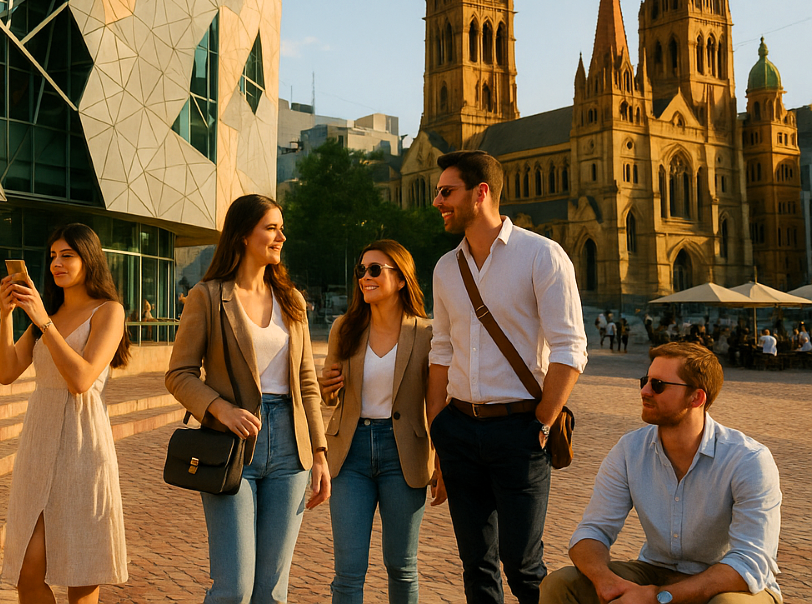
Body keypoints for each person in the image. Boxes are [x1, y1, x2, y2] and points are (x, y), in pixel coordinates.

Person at [427, 150, 588, 604]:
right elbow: (441, 350)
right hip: (458, 429)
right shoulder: (445, 268)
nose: (437, 201)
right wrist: (439, 428)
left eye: (446, 191)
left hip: (520, 430)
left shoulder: (542, 255)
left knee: (523, 566)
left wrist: (542, 422)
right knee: (475, 565)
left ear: (481, 193)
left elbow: (570, 349)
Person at [166, 193, 330, 604]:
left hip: (292, 450)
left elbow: (306, 382)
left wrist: (321, 452)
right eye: (271, 228)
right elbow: (179, 374)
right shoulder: (207, 295)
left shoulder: (291, 300)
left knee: (272, 592)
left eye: (280, 227)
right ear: (242, 235)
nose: (281, 236)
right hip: (230, 445)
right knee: (233, 588)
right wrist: (220, 408)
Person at [540, 343, 782, 604]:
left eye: (658, 385)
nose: (644, 391)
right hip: (655, 571)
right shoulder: (629, 450)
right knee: (561, 584)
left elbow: (750, 561)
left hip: (726, 581)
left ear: (697, 398)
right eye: (645, 381)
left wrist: (657, 597)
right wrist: (606, 582)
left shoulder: (748, 460)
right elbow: (592, 532)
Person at [0, 223, 131, 604]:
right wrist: (8, 316)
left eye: (67, 255)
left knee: (82, 569)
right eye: (53, 256)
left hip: (83, 443)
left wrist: (43, 321)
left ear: (89, 259)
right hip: (38, 440)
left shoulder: (109, 311)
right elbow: (7, 372)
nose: (56, 263)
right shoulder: (48, 314)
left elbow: (82, 379)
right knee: (27, 570)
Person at [320, 240, 444, 604]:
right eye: (361, 270)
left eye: (375, 270)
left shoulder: (426, 333)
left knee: (402, 568)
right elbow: (331, 397)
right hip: (349, 455)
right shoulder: (345, 328)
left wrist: (442, 460)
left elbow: (437, 402)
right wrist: (328, 387)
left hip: (403, 455)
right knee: (347, 572)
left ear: (401, 279)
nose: (365, 277)